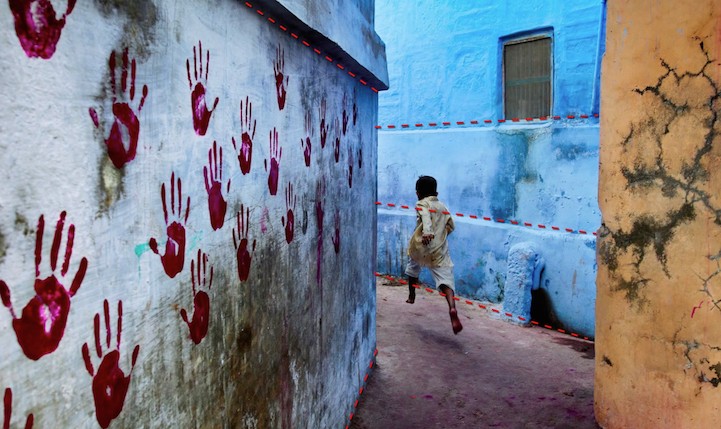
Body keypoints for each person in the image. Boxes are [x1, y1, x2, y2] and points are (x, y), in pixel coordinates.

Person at [405, 175, 463, 334]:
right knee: (445, 279)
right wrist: (440, 235)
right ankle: (452, 307)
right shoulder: (442, 207)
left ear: (417, 193)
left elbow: (425, 216)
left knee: (413, 268)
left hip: (421, 246)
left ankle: (411, 295)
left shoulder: (421, 203)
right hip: (438, 249)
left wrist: (428, 232)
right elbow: (451, 225)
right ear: (436, 193)